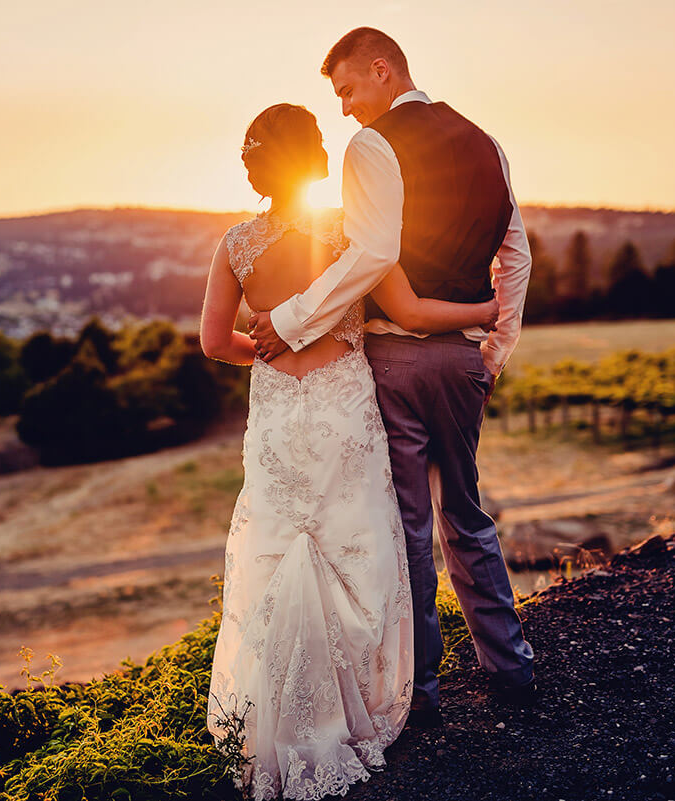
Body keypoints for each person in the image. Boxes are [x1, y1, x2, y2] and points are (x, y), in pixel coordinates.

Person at [201, 102, 500, 801]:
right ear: (317, 161)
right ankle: (359, 708)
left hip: (277, 414)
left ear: (254, 165)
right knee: (354, 548)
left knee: (279, 553)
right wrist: (487, 312)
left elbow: (216, 342)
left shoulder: (235, 245)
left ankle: (278, 720)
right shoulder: (347, 235)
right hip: (343, 406)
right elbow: (417, 313)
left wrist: (267, 351)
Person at [248, 27, 537, 729]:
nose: (345, 108)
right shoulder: (487, 143)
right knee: (467, 513)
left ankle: (422, 693)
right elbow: (517, 253)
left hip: (398, 360)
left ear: (382, 71)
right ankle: (512, 665)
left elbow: (374, 250)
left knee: (409, 526)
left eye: (347, 89)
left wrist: (291, 318)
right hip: (463, 362)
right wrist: (493, 349)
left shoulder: (372, 146)